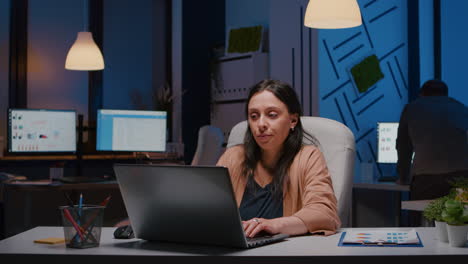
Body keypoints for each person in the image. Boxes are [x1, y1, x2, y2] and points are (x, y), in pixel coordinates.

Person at [216, 79, 340, 238]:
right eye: (254, 116)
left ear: (293, 120)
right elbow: (209, 207)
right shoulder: (233, 157)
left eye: (272, 115)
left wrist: (274, 225)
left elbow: (324, 213)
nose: (260, 124)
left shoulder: (308, 156)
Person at [396, 79, 468, 223]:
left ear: (422, 94)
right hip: (461, 175)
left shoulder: (411, 108)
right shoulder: (462, 108)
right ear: (446, 94)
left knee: (420, 219)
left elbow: (404, 146)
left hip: (426, 176)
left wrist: (403, 177)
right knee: (459, 220)